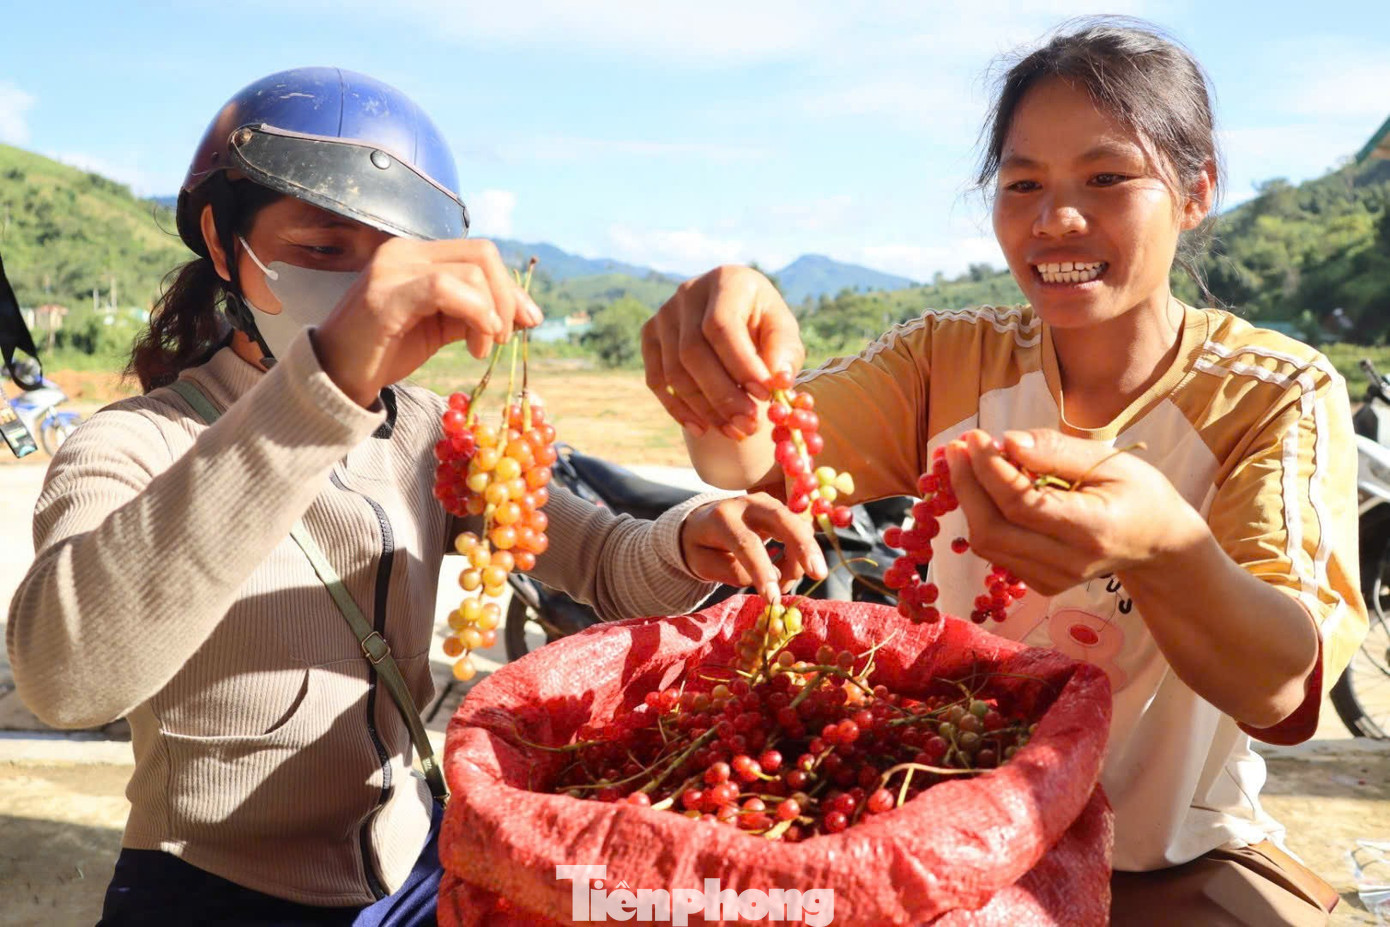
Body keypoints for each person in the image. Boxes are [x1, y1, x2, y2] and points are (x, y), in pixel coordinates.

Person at [4, 67, 825, 926]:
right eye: (322, 253)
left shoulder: (432, 432)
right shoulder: (135, 442)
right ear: (220, 241)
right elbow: (66, 678)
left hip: (411, 874)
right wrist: (327, 383)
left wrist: (691, 537)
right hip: (211, 894)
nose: (359, 292)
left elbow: (606, 560)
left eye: (387, 265)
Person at [641, 20, 1365, 927]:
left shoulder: (1271, 395)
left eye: (1106, 178)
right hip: (936, 851)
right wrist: (726, 378)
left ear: (1196, 192)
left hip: (1159, 864)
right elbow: (768, 464)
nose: (1056, 217)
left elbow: (1282, 684)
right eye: (1023, 183)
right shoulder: (947, 358)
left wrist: (1166, 550)